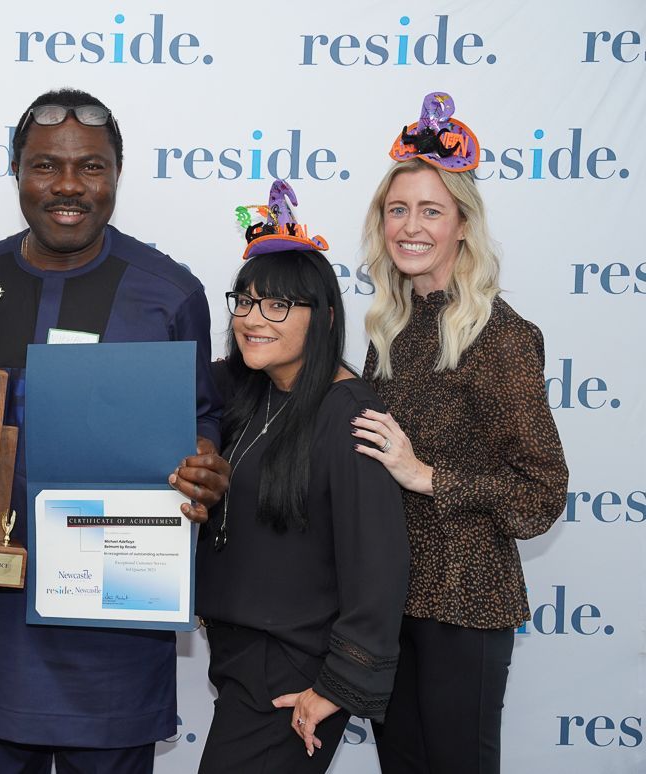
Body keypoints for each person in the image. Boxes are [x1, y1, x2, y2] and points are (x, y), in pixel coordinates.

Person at [0, 88, 229, 773]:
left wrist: (205, 459)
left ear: (118, 174)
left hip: (116, 619)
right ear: (16, 172)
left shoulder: (170, 291)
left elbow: (201, 414)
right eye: (45, 166)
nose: (67, 186)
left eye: (91, 167)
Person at [351, 92, 569, 774]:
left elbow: (543, 493)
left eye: (431, 211)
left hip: (465, 604)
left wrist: (428, 476)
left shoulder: (500, 336)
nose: (410, 226)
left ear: (463, 227)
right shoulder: (388, 328)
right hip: (392, 600)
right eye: (398, 209)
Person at [195, 180, 410, 773]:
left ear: (325, 317)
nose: (251, 319)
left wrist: (337, 686)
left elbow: (380, 566)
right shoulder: (251, 393)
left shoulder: (351, 415)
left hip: (292, 677)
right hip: (241, 658)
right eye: (244, 301)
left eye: (277, 306)